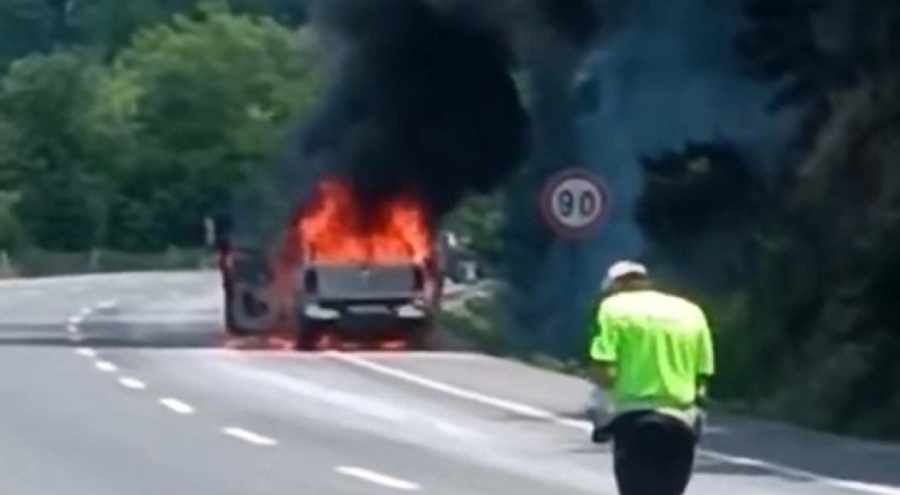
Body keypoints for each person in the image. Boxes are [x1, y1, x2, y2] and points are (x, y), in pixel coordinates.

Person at [587, 260, 715, 495]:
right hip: (679, 423)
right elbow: (702, 377)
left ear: (615, 286)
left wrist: (600, 416)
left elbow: (603, 368)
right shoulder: (691, 311)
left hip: (635, 421)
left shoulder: (613, 308)